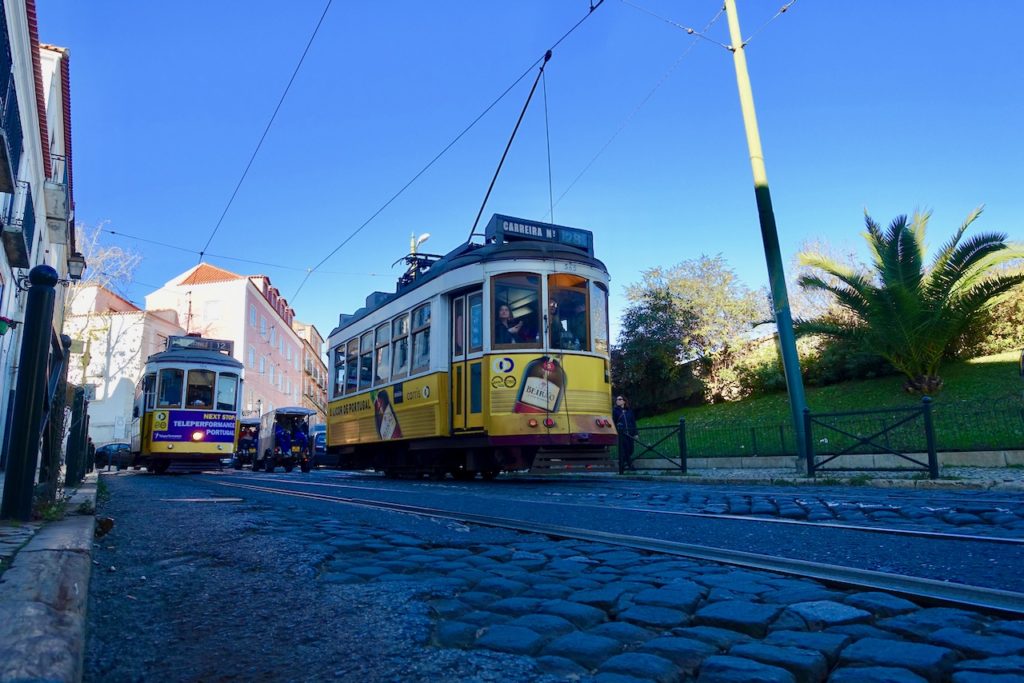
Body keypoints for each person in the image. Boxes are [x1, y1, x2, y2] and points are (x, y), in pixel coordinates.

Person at [613, 395, 638, 473]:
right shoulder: (615, 411)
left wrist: (636, 433)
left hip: (630, 433)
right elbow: (614, 422)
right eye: (617, 399)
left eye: (619, 399)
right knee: (626, 450)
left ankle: (621, 462)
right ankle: (630, 466)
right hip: (622, 434)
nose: (618, 400)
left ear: (624, 401)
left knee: (631, 450)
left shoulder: (629, 411)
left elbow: (633, 422)